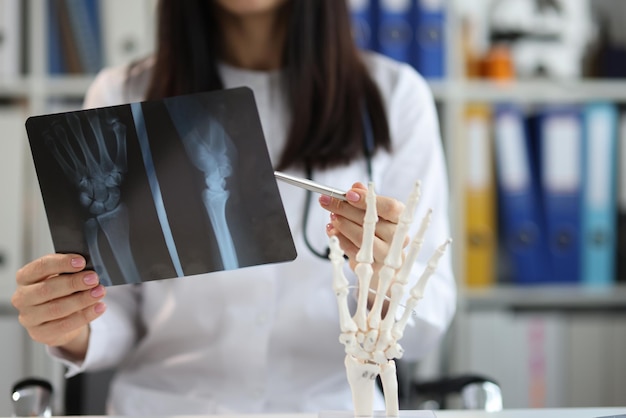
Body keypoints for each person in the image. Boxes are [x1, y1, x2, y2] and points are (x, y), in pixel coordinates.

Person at [12, 0, 456, 414]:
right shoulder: (122, 90)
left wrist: (384, 278)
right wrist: (71, 324)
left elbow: (426, 326)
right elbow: (119, 310)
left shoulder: (394, 97)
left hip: (333, 406)